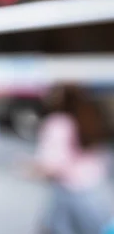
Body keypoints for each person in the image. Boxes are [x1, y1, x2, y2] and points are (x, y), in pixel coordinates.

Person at [32, 84, 113, 234]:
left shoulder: (58, 123)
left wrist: (30, 169)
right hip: (96, 193)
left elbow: (50, 165)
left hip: (68, 195)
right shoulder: (91, 116)